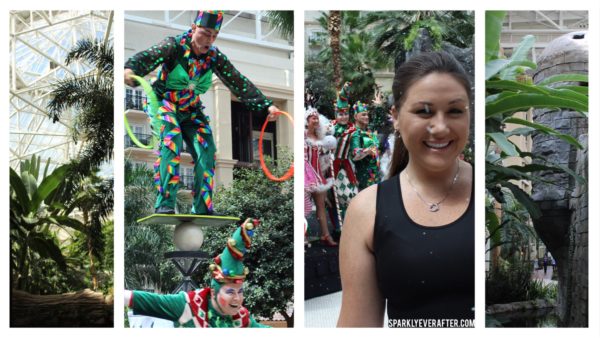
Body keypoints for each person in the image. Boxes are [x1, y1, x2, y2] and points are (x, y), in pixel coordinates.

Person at [337, 51, 474, 327]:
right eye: (424, 111)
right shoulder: (367, 210)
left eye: (455, 111)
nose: (440, 127)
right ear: (396, 117)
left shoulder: (491, 192)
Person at [124, 11, 282, 215]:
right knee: (172, 141)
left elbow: (238, 81)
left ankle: (202, 206)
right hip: (164, 102)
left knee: (207, 150)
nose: (209, 40)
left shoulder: (214, 57)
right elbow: (149, 55)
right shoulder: (174, 46)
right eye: (205, 33)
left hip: (190, 108)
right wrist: (130, 69)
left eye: (214, 36)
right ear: (193, 29)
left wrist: (266, 105)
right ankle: (165, 203)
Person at [125, 218, 269, 328]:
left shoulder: (242, 318)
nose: (237, 298)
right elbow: (147, 300)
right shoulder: (187, 305)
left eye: (240, 291)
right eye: (231, 292)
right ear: (213, 292)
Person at [304, 107, 338, 246]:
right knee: (304, 208)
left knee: (321, 206)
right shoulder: (302, 135)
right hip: (305, 176)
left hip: (318, 175)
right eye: (313, 118)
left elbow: (325, 155)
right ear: (307, 120)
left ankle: (326, 235)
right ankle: (303, 236)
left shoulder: (321, 138)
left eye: (317, 118)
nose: (316, 120)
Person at [331, 82, 358, 222]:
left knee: (348, 196)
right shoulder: (329, 127)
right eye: (340, 114)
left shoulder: (353, 130)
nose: (344, 117)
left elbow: (355, 149)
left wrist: (359, 151)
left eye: (346, 114)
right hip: (328, 167)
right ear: (336, 114)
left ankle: (349, 224)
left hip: (344, 166)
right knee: (330, 200)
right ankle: (336, 227)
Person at [350, 101, 381, 190]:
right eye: (363, 115)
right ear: (355, 117)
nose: (367, 117)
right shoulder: (355, 133)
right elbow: (355, 154)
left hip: (376, 174)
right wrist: (368, 151)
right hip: (364, 176)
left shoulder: (369, 131)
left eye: (367, 115)